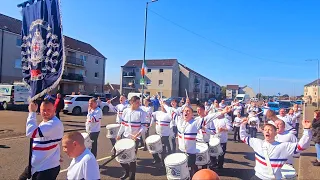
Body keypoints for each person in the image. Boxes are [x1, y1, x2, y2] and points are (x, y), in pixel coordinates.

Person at [240, 117, 313, 180]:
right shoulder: (257, 143)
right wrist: (243, 124)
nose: (267, 131)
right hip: (257, 177)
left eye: (270, 130)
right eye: (265, 130)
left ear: (276, 133)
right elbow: (243, 137)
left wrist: (307, 130)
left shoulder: (283, 147)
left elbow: (302, 146)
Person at [19, 100, 64, 180]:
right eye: (43, 110)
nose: (45, 113)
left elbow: (30, 133)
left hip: (46, 168)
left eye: (48, 110)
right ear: (40, 110)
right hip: (36, 166)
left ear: (54, 110)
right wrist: (55, 153)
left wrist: (32, 112)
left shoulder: (54, 123)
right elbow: (50, 140)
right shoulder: (45, 122)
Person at [116, 96, 147, 180]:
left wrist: (138, 134)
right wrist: (119, 134)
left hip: (134, 140)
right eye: (137, 102)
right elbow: (123, 124)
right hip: (125, 137)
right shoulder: (125, 111)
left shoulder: (142, 113)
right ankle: (127, 172)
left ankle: (131, 177)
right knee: (121, 157)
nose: (139, 104)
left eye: (139, 102)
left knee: (132, 159)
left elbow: (144, 127)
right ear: (131, 102)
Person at [195, 104, 225, 169]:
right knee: (198, 160)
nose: (198, 111)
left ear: (203, 110)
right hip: (197, 142)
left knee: (205, 160)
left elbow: (213, 132)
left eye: (199, 110)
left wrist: (204, 129)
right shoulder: (196, 119)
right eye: (197, 110)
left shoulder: (209, 120)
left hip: (205, 142)